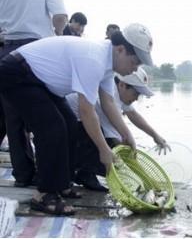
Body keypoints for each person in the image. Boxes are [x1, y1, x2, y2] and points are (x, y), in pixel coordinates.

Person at [0, 22, 154, 215]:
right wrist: (103, 149)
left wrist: (126, 134)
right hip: (17, 72)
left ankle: (62, 184)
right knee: (52, 128)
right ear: (121, 49)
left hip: (41, 82)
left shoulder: (107, 64)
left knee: (70, 125)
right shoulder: (94, 59)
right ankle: (44, 194)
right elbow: (87, 111)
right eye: (135, 63)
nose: (134, 69)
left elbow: (108, 103)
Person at [0, 0, 68, 187]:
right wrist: (59, 35)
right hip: (36, 54)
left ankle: (23, 174)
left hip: (6, 49)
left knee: (13, 117)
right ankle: (46, 174)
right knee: (43, 115)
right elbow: (59, 17)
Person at [66, 67, 170, 191]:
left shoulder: (116, 92)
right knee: (111, 150)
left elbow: (133, 114)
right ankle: (83, 172)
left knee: (111, 149)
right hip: (66, 127)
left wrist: (155, 135)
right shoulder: (107, 100)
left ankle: (85, 172)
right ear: (122, 85)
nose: (137, 98)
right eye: (136, 93)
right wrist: (146, 179)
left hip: (77, 124)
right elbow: (119, 144)